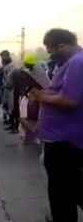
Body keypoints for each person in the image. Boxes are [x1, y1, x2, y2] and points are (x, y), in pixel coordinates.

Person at [30, 29, 83, 222]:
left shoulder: (77, 62)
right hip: (62, 138)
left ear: (62, 46)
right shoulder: (69, 63)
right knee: (67, 187)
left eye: (51, 50)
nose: (50, 54)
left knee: (61, 192)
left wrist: (42, 96)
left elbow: (69, 100)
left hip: (65, 141)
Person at [0, 50, 16, 125]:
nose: (2, 58)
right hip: (6, 88)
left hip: (10, 88)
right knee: (5, 104)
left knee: (10, 105)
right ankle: (7, 119)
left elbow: (10, 79)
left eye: (3, 56)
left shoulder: (10, 66)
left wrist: (6, 85)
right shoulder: (6, 66)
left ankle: (11, 121)